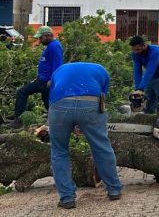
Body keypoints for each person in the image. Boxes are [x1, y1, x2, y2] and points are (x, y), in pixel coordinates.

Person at [48, 62, 123, 209]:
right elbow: (102, 97)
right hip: (90, 104)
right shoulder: (101, 70)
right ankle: (114, 190)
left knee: (59, 151)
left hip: (59, 105)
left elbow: (52, 92)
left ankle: (67, 198)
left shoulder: (58, 70)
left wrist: (70, 122)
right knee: (101, 146)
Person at [11, 26, 63, 128]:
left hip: (46, 80)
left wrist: (52, 79)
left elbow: (58, 65)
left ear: (48, 36)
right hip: (44, 79)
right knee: (47, 100)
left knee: (22, 92)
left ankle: (18, 119)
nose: (39, 40)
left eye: (41, 37)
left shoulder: (54, 46)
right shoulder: (51, 45)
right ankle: (56, 120)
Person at [129, 35, 159, 113]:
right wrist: (138, 89)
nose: (136, 52)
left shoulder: (155, 51)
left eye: (138, 49)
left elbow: (150, 69)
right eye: (134, 50)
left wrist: (141, 88)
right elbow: (137, 70)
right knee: (149, 96)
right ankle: (149, 115)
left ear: (144, 45)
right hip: (151, 74)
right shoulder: (135, 54)